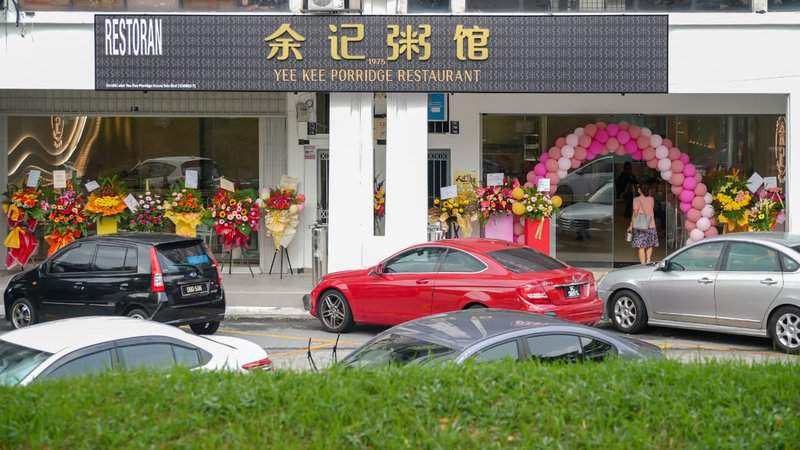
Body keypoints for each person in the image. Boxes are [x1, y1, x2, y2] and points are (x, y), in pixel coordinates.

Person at [628, 183, 658, 264]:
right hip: (651, 224)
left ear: (641, 190)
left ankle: (643, 265)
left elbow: (635, 213)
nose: (638, 189)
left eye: (639, 188)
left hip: (641, 225)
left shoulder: (636, 199)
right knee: (650, 244)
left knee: (641, 246)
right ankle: (648, 260)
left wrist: (631, 225)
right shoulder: (651, 199)